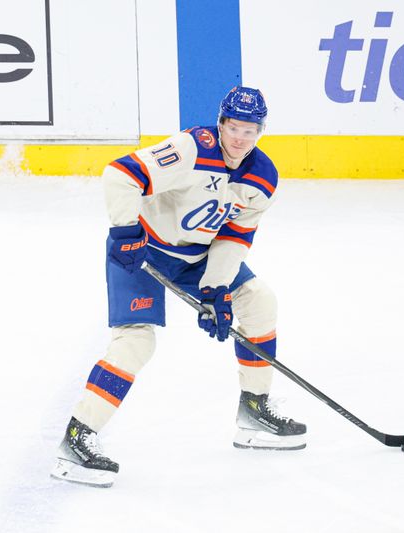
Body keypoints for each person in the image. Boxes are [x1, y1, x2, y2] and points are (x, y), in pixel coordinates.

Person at [50, 87, 306, 488]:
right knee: (136, 343)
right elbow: (121, 174)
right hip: (143, 251)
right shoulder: (190, 148)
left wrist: (216, 288)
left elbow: (234, 237)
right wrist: (125, 231)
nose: (239, 138)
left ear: (261, 131)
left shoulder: (263, 177)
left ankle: (254, 408)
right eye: (233, 127)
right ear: (220, 123)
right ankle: (78, 435)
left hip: (197, 256)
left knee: (259, 301)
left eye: (249, 130)